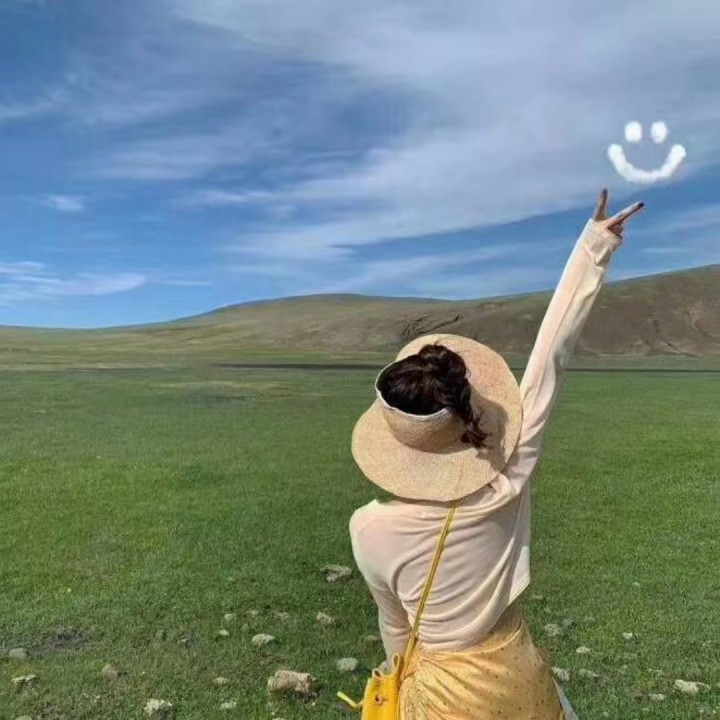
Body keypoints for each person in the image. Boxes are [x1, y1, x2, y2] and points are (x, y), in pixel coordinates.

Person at [347, 189, 645, 719]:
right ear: (465, 416)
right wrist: (593, 248)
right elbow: (549, 363)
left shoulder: (368, 529)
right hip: (517, 677)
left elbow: (394, 627)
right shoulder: (505, 481)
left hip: (441, 698)